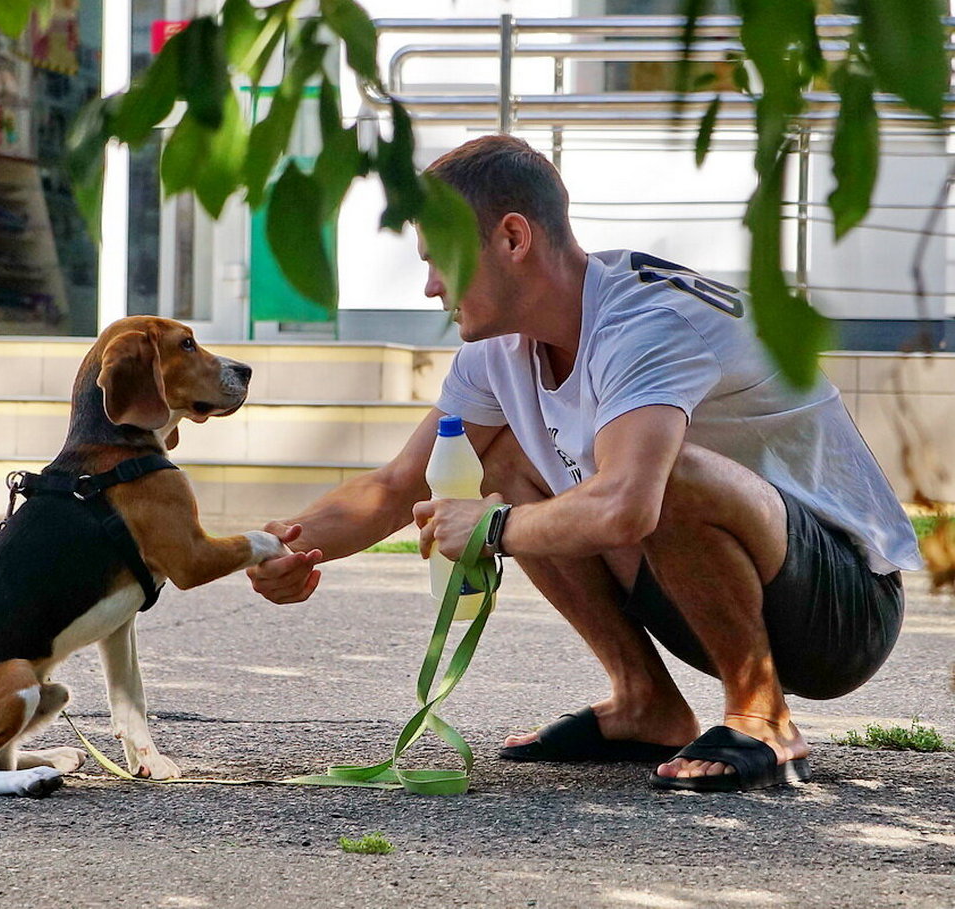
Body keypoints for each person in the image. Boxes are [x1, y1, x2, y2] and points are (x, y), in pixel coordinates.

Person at [248, 134, 921, 793]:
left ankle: (760, 712)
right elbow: (398, 486)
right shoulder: (499, 349)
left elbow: (630, 503)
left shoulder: (645, 323)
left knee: (661, 471)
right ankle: (644, 702)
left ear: (512, 239)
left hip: (844, 606)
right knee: (502, 456)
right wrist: (277, 546)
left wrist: (495, 528)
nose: (429, 287)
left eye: (440, 260)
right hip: (715, 587)